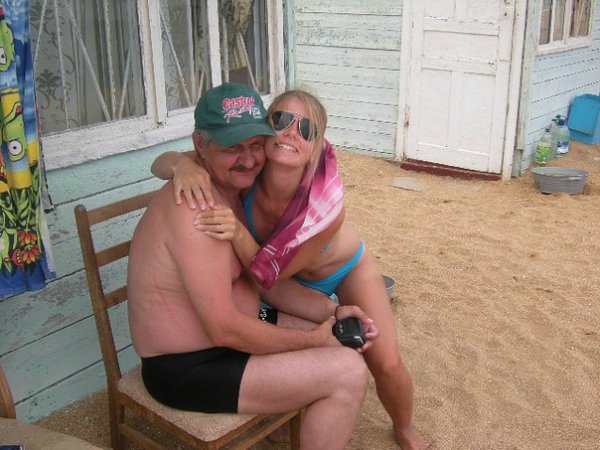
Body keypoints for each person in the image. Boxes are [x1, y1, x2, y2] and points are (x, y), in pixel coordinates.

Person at [152, 88, 426, 449]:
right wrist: (181, 165)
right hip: (278, 278)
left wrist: (238, 232)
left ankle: (404, 426)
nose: (292, 132)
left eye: (306, 129)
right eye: (281, 120)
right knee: (294, 339)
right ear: (265, 130)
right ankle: (293, 404)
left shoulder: (325, 209)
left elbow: (270, 276)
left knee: (384, 360)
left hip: (339, 270)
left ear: (316, 147)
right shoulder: (249, 169)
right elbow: (163, 163)